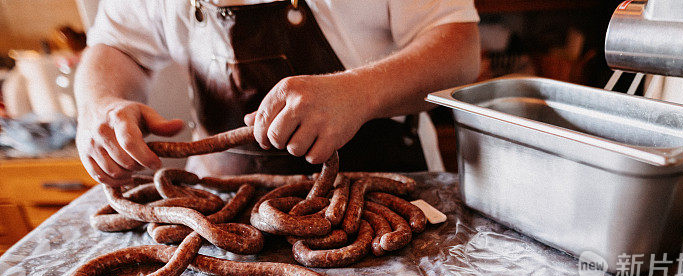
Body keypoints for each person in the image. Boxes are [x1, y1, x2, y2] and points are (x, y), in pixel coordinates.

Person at [75, 0, 481, 185]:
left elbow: (459, 50)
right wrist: (99, 103)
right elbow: (117, 47)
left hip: (387, 198)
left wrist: (361, 91)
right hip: (222, 216)